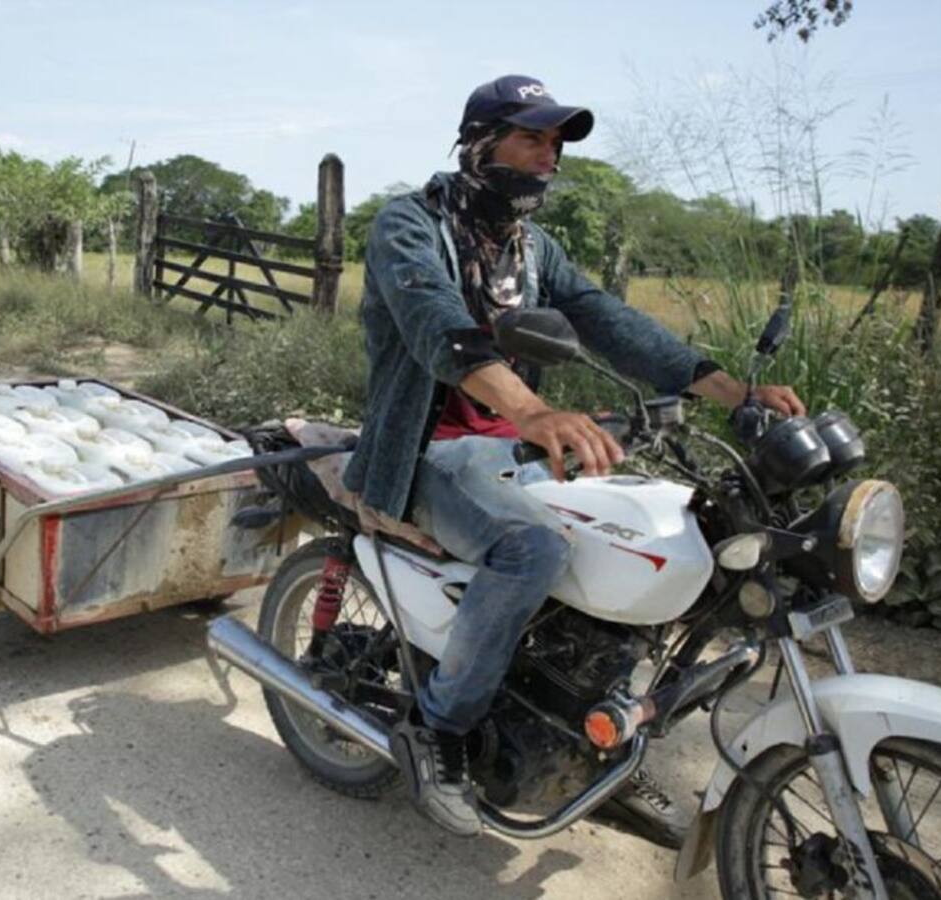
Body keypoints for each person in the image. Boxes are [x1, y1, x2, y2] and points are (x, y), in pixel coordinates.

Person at [341, 75, 805, 840]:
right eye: (532, 138)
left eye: (556, 145)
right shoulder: (410, 225)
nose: (549, 158)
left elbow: (603, 319)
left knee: (651, 542)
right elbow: (438, 327)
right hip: (427, 451)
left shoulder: (532, 247)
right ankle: (442, 733)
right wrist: (532, 410)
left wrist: (731, 389)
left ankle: (603, 735)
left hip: (513, 448)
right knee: (532, 550)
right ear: (481, 141)